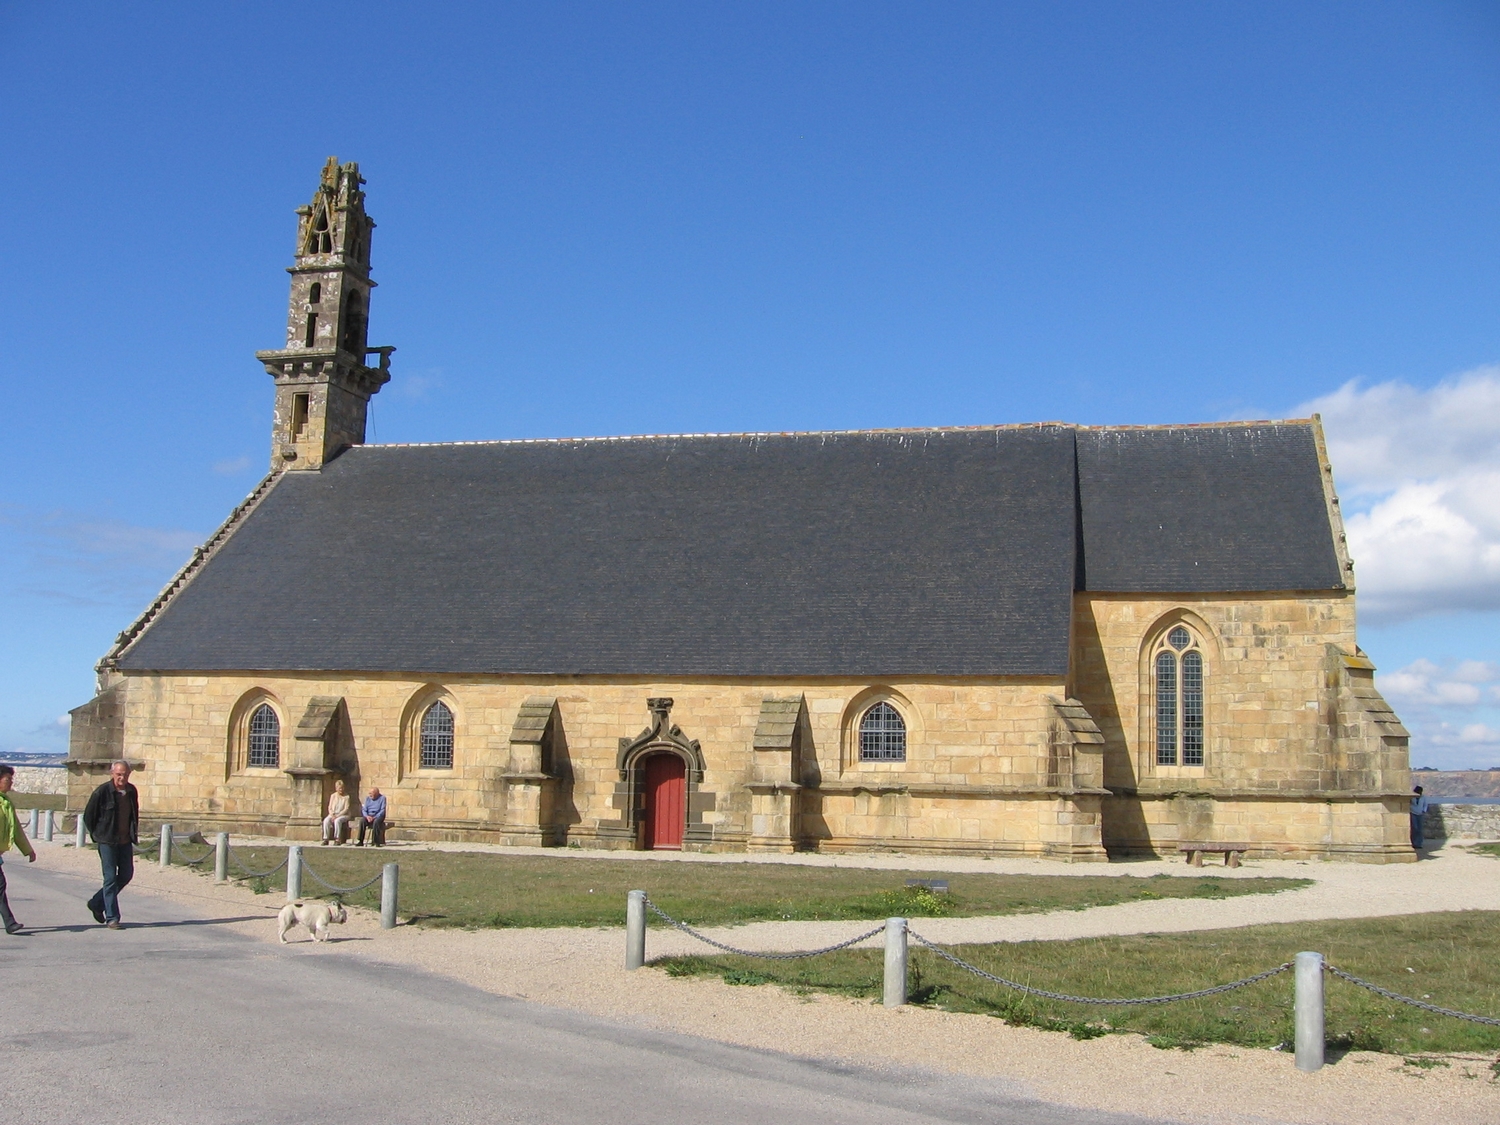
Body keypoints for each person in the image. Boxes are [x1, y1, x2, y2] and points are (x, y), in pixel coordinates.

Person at [83, 760, 139, 929]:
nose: (122, 777)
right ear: (112, 774)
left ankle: (96, 902)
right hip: (107, 841)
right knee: (109, 878)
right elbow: (89, 816)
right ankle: (112, 917)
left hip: (124, 841)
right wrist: (97, 835)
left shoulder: (131, 791)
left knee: (126, 875)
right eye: (119, 774)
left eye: (125, 774)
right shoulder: (102, 792)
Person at [0, 765, 37, 935]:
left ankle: (9, 922)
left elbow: (16, 830)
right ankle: (10, 922)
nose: (10, 782)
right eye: (8, 779)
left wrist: (28, 850)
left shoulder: (6, 803)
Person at [321, 779, 352, 845]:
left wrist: (337, 816)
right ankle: (326, 838)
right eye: (339, 788)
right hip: (333, 814)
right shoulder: (333, 796)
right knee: (326, 820)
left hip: (343, 814)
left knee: (337, 821)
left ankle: (337, 838)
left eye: (342, 788)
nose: (341, 790)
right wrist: (332, 814)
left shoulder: (347, 797)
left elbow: (346, 809)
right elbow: (330, 807)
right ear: (336, 788)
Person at [1411, 785, 1429, 851]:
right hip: (1413, 813)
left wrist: (1423, 811)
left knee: (1420, 829)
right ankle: (1413, 842)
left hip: (1420, 814)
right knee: (1414, 828)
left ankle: (1419, 843)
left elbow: (1425, 804)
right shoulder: (1412, 797)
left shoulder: (1423, 797)